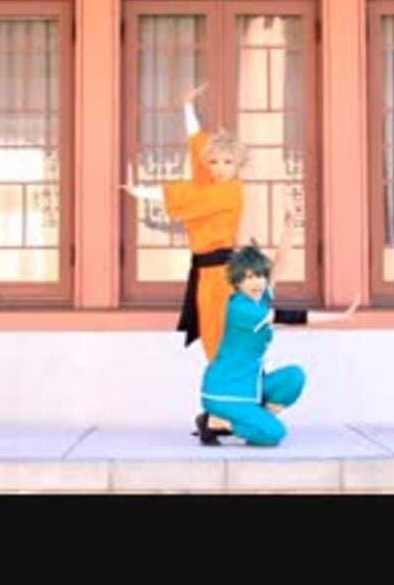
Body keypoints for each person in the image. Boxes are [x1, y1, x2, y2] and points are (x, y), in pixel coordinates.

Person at [194, 205, 359, 447]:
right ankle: (214, 422)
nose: (257, 282)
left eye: (260, 276)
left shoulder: (259, 298)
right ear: (237, 282)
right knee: (274, 434)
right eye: (249, 277)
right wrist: (340, 317)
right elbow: (290, 317)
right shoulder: (241, 308)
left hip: (250, 386)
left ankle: (255, 421)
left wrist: (290, 227)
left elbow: (280, 263)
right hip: (225, 392)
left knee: (293, 377)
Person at [120, 83, 248, 363]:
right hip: (206, 272)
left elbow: (187, 195)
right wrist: (188, 106)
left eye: (228, 162)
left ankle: (233, 389)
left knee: (225, 340)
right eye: (215, 162)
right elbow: (199, 146)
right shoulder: (211, 182)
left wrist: (140, 191)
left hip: (222, 274)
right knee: (213, 341)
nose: (220, 168)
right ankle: (222, 388)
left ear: (239, 165)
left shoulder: (228, 193)